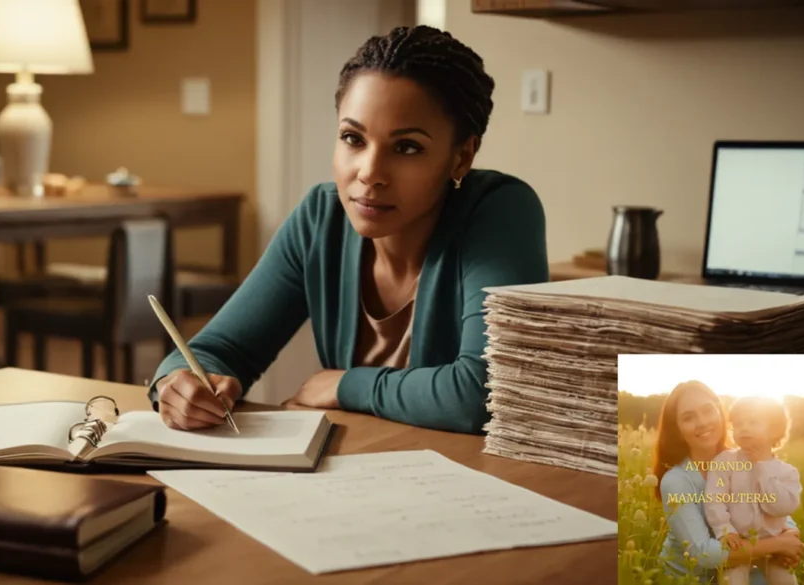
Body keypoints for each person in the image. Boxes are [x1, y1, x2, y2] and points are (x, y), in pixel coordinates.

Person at [148, 25, 548, 434]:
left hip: (477, 481)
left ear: (461, 157)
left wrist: (344, 385)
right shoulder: (321, 218)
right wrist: (179, 383)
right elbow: (219, 349)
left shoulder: (500, 210)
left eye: (407, 147)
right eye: (352, 138)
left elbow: (486, 392)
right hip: (354, 471)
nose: (370, 173)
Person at [653, 381, 804, 584]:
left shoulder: (745, 458)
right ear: (678, 429)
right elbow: (703, 553)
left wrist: (790, 533)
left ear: (720, 412)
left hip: (747, 564)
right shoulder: (676, 481)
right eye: (688, 418)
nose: (702, 422)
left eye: (708, 411)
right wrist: (777, 544)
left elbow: (769, 507)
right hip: (693, 578)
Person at [704, 396, 802, 585]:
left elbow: (781, 507)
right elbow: (714, 500)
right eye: (738, 424)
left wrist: (761, 467)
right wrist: (725, 531)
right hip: (738, 543)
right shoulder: (724, 462)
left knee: (786, 581)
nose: (744, 428)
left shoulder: (787, 472)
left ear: (774, 429)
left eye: (753, 422)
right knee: (731, 581)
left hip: (774, 547)